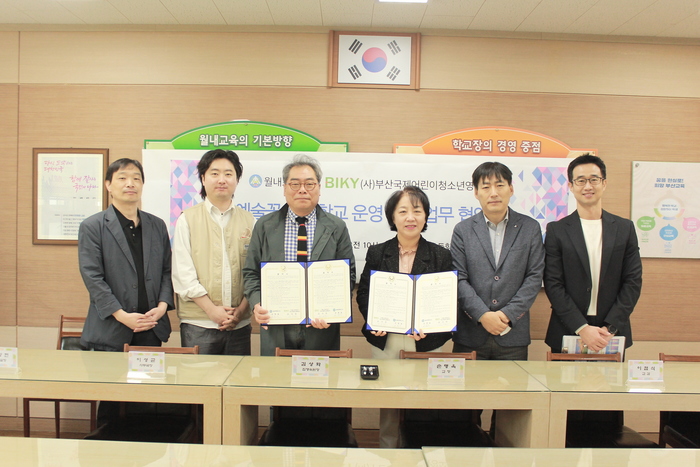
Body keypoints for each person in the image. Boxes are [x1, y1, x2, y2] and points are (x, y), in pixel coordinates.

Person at [356, 185, 453, 448]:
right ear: (393, 217)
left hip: (426, 340)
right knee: (388, 400)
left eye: (417, 211)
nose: (410, 217)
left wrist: (432, 327)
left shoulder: (441, 255)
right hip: (386, 339)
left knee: (423, 400)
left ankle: (419, 450)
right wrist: (374, 320)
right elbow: (364, 292)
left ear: (425, 216)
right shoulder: (377, 253)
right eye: (403, 211)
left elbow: (448, 299)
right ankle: (388, 452)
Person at [243, 154, 356, 356]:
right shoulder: (265, 226)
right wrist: (257, 303)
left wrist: (332, 310)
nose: (302, 189)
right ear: (284, 189)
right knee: (275, 375)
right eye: (295, 184)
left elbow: (348, 275)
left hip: (320, 327)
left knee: (318, 375)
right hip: (276, 324)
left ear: (319, 188)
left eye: (309, 184)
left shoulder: (336, 227)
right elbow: (250, 272)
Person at [544, 153, 642, 353]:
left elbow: (632, 281)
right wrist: (582, 328)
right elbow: (553, 283)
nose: (587, 186)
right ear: (571, 186)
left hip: (611, 333)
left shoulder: (624, 228)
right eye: (580, 181)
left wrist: (610, 327)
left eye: (594, 180)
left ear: (604, 183)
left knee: (610, 377)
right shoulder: (557, 230)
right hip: (567, 328)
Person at [451, 161, 544, 360]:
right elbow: (458, 278)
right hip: (470, 336)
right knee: (466, 382)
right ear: (476, 192)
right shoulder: (463, 230)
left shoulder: (530, 228)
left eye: (500, 185)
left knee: (513, 382)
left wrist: (507, 314)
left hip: (513, 335)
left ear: (511, 189)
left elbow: (534, 277)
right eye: (486, 187)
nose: (493, 193)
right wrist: (483, 315)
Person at [79, 158, 173, 352]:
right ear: (108, 185)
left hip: (151, 327)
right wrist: (121, 315)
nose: (130, 184)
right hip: (110, 331)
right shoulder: (93, 226)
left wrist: (162, 306)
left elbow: (167, 270)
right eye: (122, 178)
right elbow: (93, 277)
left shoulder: (157, 225)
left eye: (136, 178)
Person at [172, 149, 254, 355]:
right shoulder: (187, 219)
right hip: (198, 324)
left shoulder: (250, 221)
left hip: (239, 324)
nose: (221, 180)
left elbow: (255, 272)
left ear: (237, 179)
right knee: (199, 376)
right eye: (214, 173)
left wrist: (241, 311)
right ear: (203, 178)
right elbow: (183, 274)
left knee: (239, 375)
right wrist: (211, 310)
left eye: (228, 174)